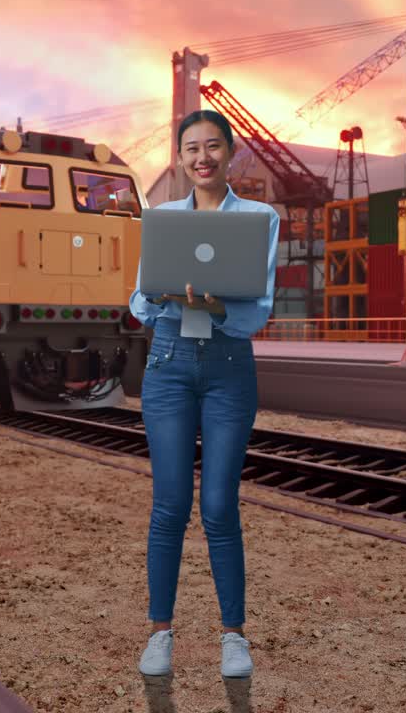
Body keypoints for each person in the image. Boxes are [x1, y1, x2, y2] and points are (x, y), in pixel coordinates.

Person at [128, 109, 280, 680]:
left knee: (219, 505)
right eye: (191, 148)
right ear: (180, 157)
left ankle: (233, 638)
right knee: (169, 505)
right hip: (167, 364)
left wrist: (217, 307)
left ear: (231, 151)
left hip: (226, 367)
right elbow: (139, 305)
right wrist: (164, 295)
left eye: (212, 146)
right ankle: (160, 634)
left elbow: (257, 309)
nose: (202, 158)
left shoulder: (259, 217)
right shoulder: (162, 217)